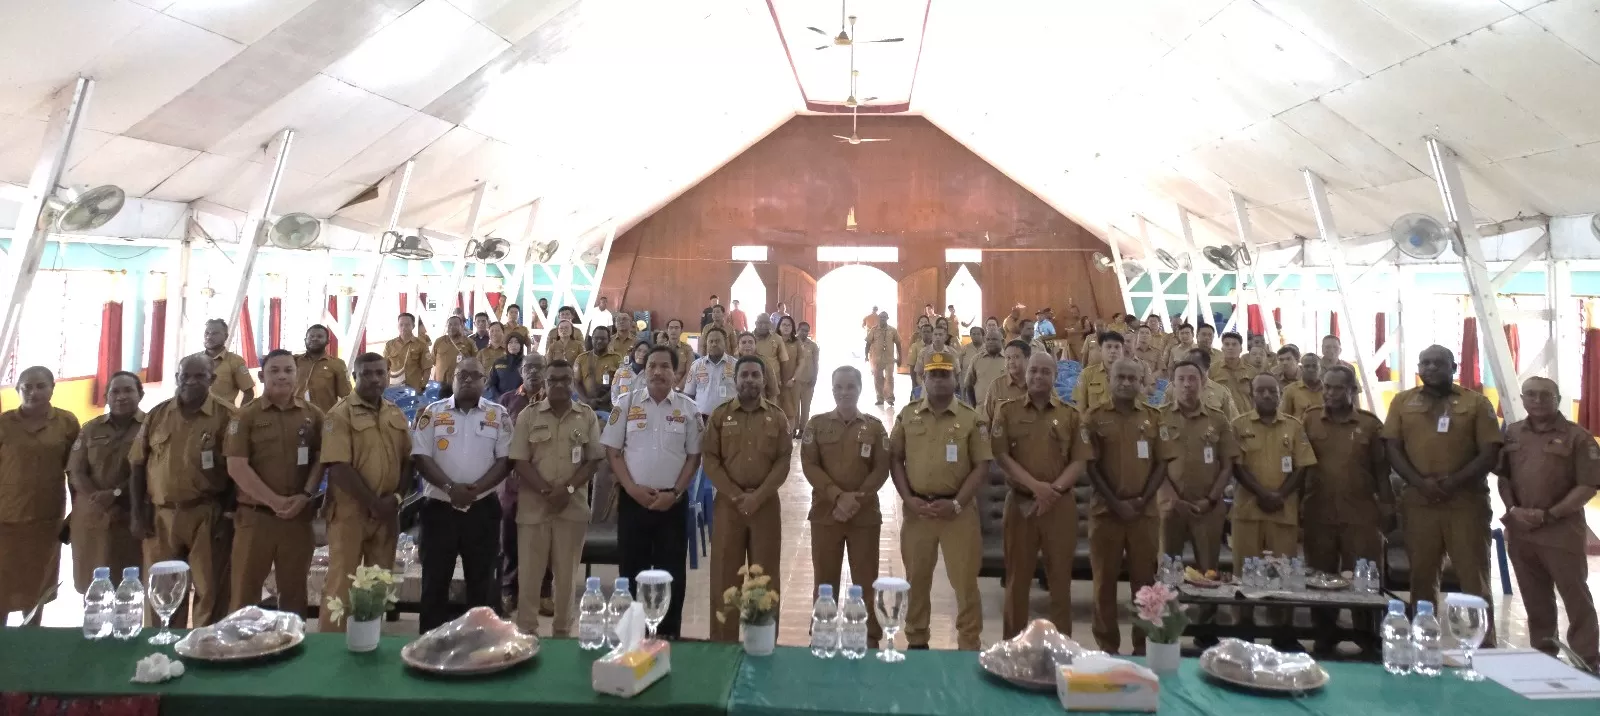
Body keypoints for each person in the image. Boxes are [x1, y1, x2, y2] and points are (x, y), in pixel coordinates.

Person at [1383, 345, 1500, 641]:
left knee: (1474, 577)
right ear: (1419, 368)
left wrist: (1454, 482)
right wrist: (1419, 483)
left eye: (1439, 363)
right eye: (1426, 363)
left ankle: (1484, 644)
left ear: (1454, 367)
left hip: (1465, 503)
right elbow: (1392, 448)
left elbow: (1489, 452)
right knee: (1421, 577)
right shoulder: (1402, 402)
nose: (1431, 368)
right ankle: (1423, 639)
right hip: (1419, 502)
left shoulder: (1476, 403)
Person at [890, 350, 989, 650]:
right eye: (933, 374)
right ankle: (917, 640)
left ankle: (969, 644)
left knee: (965, 583)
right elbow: (895, 459)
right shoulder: (907, 415)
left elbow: (981, 465)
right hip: (918, 513)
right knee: (916, 580)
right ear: (922, 379)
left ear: (955, 378)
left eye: (945, 374)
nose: (938, 380)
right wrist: (908, 498)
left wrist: (957, 503)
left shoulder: (971, 419)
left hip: (958, 514)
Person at [602, 346, 702, 639]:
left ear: (675, 372)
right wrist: (631, 488)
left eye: (664, 366)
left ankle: (670, 635)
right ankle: (635, 636)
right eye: (652, 367)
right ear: (644, 373)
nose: (658, 372)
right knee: (632, 571)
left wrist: (675, 492)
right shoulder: (625, 403)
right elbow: (613, 451)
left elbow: (693, 457)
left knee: (672, 574)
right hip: (634, 503)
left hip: (672, 504)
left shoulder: (688, 408)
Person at [1499, 376, 1600, 668]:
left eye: (1545, 395)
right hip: (1521, 530)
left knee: (1575, 595)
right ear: (1522, 399)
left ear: (1557, 399)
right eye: (1531, 394)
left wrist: (1550, 514)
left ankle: (1588, 659)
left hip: (1560, 529)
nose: (1538, 400)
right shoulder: (1514, 433)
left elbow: (1588, 486)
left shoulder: (1578, 437)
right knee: (1534, 597)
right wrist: (1513, 509)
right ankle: (1542, 654)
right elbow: (1504, 478)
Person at [130, 354, 236, 627]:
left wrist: (227, 514)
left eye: (199, 376)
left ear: (211, 379)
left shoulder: (227, 416)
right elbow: (138, 464)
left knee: (209, 590)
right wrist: (137, 513)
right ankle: (161, 647)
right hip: (161, 516)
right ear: (177, 378)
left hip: (207, 514)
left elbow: (236, 470)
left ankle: (207, 647)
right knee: (162, 589)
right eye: (184, 376)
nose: (190, 381)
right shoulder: (157, 414)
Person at [411, 357, 512, 631]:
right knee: (434, 582)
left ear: (485, 380)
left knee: (482, 583)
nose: (467, 379)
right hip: (439, 509)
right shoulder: (432, 412)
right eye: (461, 375)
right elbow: (420, 456)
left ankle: (482, 645)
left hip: (482, 511)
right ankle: (429, 644)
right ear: (452, 379)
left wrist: (475, 490)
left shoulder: (498, 415)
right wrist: (449, 488)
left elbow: (505, 460)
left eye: (474, 375)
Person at [991, 352, 1084, 639]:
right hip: (1020, 504)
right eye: (1034, 371)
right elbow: (1002, 456)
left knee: (1060, 582)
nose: (1038, 376)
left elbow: (1079, 461)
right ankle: (1012, 646)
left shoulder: (1071, 415)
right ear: (1025, 374)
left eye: (1046, 371)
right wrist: (1036, 488)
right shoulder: (1007, 411)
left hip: (1059, 506)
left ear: (1056, 376)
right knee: (1017, 580)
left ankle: (1062, 647)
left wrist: (1052, 491)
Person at [224, 349, 324, 615]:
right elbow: (236, 466)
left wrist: (305, 495)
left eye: (288, 370)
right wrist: (275, 501)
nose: (282, 376)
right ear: (262, 375)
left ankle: (293, 649)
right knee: (245, 594)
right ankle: (244, 652)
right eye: (274, 371)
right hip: (256, 519)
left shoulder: (312, 415)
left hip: (298, 519)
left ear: (297, 373)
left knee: (294, 595)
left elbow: (320, 459)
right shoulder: (244, 416)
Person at [318, 353, 412, 632]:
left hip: (387, 512)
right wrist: (374, 504)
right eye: (367, 373)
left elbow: (409, 461)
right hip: (351, 514)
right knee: (341, 584)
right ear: (355, 377)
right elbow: (338, 467)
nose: (374, 379)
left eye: (379, 373)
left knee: (377, 583)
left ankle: (369, 641)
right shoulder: (339, 414)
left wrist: (394, 500)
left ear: (387, 375)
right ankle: (331, 647)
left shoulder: (394, 412)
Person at [1301, 364, 1390, 655]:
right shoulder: (1310, 420)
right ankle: (1325, 633)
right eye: (1326, 387)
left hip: (1361, 514)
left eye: (1337, 387)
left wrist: (1388, 507)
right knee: (1319, 577)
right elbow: (1300, 468)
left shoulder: (1369, 425)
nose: (1329, 393)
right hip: (1319, 511)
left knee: (1364, 576)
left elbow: (1381, 470)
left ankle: (1366, 634)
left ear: (1352, 390)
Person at [701, 355, 792, 641]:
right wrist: (736, 494)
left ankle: (763, 639)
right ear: (735, 379)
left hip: (765, 505)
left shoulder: (776, 416)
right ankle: (722, 645)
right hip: (729, 505)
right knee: (724, 577)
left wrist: (759, 496)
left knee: (765, 577)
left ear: (764, 380)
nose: (750, 380)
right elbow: (711, 459)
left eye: (755, 375)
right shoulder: (720, 415)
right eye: (745, 375)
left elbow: (783, 460)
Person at [509, 360, 603, 636]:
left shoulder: (586, 416)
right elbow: (519, 461)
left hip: (571, 509)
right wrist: (546, 491)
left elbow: (593, 460)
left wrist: (568, 490)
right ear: (545, 383)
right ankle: (526, 634)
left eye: (565, 380)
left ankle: (562, 633)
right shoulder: (528, 416)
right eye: (553, 381)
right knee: (529, 578)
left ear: (572, 383)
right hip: (533, 510)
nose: (559, 385)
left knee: (565, 579)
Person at [801, 366, 889, 646]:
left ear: (860, 389)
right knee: (824, 582)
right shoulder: (816, 424)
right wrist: (838, 496)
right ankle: (822, 636)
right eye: (839, 387)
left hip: (864, 516)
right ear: (832, 389)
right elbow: (810, 465)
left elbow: (881, 468)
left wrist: (856, 499)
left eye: (850, 386)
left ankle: (869, 636)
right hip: (826, 515)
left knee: (865, 580)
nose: (844, 392)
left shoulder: (874, 427)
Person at [1082, 359, 1164, 655]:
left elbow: (1162, 464)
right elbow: (1090, 466)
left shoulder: (1154, 418)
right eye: (1121, 377)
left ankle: (1144, 647)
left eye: (1133, 377)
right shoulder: (1094, 418)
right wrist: (1115, 502)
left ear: (1142, 381)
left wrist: (1142, 500)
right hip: (1106, 514)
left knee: (1146, 585)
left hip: (1144, 515)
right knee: (1103, 584)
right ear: (1109, 379)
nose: (1126, 382)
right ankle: (1107, 647)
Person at [1232, 373, 1317, 651]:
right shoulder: (1239, 425)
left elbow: (1302, 466)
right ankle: (1244, 630)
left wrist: (1279, 494)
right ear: (1252, 393)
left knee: (1284, 574)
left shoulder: (1294, 427)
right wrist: (1262, 494)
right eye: (1261, 391)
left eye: (1272, 391)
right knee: (1244, 574)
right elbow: (1237, 466)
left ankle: (1283, 632)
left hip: (1283, 510)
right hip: (1248, 510)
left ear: (1280, 394)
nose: (1267, 396)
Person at [0, 367, 79, 622]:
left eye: (40, 386)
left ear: (52, 388)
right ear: (17, 390)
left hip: (45, 519)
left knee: (37, 587)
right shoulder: (4, 423)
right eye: (26, 387)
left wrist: (75, 514)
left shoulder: (67, 423)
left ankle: (32, 638)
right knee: (3, 587)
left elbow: (75, 471)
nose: (33, 392)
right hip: (5, 520)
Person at [67, 371, 145, 597]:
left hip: (130, 514)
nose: (121, 396)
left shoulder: (151, 425)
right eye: (115, 391)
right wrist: (98, 499)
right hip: (93, 517)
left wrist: (117, 494)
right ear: (106, 396)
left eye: (128, 390)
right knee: (92, 587)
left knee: (129, 586)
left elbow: (151, 470)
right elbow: (76, 471)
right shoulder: (91, 428)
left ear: (140, 394)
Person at [1157, 360, 1237, 576]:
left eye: (1192, 379)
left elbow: (1227, 464)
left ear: (1202, 382)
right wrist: (1173, 499)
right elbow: (1154, 465)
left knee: (1209, 569)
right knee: (1167, 568)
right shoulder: (1158, 417)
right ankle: (1168, 609)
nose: (1186, 384)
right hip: (1170, 507)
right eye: (1181, 379)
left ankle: (1208, 609)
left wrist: (1210, 499)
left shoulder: (1218, 418)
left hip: (1207, 508)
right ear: (1172, 383)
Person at [498, 353, 547, 612]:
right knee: (510, 535)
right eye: (529, 367)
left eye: (539, 368)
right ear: (520, 371)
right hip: (513, 481)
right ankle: (509, 588)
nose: (533, 372)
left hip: (544, 479)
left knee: (543, 534)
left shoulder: (555, 401)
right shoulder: (507, 401)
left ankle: (543, 589)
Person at [1160, 347, 1241, 420]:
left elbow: (1234, 423)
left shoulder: (1221, 393)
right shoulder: (1173, 388)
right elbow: (1161, 417)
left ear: (1207, 368)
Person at [295, 324, 350, 413]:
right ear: (305, 340)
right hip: (296, 416)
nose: (314, 339)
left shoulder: (337, 364)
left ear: (327, 341)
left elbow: (346, 396)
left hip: (325, 417)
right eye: (311, 336)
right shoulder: (294, 361)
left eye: (319, 336)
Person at [685, 327, 737, 419]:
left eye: (717, 341)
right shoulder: (696, 365)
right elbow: (689, 395)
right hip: (702, 419)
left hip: (729, 419)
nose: (714, 344)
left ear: (725, 343)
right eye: (711, 341)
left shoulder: (736, 365)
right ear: (706, 343)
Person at [201, 318, 255, 405]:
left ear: (226, 336)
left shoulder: (236, 361)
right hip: (196, 416)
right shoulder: (194, 360)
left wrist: (238, 415)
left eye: (215, 333)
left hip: (223, 416)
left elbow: (249, 394)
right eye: (207, 333)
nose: (209, 337)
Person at [1072, 331, 1126, 413]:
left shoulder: (1130, 375)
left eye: (1117, 347)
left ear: (1122, 350)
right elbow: (1080, 409)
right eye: (1108, 346)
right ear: (1100, 349)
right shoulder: (1087, 374)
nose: (1113, 351)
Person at [574, 325, 622, 416]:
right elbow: (576, 382)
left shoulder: (617, 358)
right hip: (585, 405)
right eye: (596, 338)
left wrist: (602, 400)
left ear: (609, 340)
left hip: (608, 405)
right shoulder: (581, 358)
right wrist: (586, 401)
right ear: (592, 339)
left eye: (603, 338)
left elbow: (620, 383)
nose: (599, 341)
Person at [432, 315, 478, 401]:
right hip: (441, 385)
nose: (452, 327)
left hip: (461, 384)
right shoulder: (439, 342)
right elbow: (434, 361)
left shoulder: (469, 343)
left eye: (456, 324)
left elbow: (475, 363)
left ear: (462, 326)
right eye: (450, 324)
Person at [1210, 331, 1258, 411]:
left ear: (1241, 349)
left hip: (1245, 417)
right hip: (1222, 417)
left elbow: (1256, 397)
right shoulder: (1212, 369)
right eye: (1227, 344)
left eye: (1234, 344)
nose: (1230, 347)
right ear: (1222, 348)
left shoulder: (1251, 371)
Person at [984, 340, 1031, 421]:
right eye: (1008, 358)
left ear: (1027, 359)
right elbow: (986, 419)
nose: (1011, 362)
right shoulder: (996, 386)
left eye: (1016, 357)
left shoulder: (1040, 384)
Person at [385, 313, 433, 392]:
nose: (403, 328)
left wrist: (422, 387)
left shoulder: (421, 345)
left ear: (413, 326)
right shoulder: (390, 345)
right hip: (393, 390)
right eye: (401, 325)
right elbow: (385, 368)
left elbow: (427, 369)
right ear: (398, 326)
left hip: (413, 390)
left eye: (407, 325)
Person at [866, 311, 902, 407]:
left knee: (889, 378)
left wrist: (900, 357)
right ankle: (880, 398)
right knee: (878, 378)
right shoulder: (873, 330)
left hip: (889, 360)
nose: (882, 319)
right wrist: (866, 356)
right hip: (876, 360)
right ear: (879, 318)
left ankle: (890, 398)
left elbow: (898, 343)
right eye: (881, 317)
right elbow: (868, 343)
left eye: (884, 317)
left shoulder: (892, 330)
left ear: (887, 318)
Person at [963, 327, 1005, 408]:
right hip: (981, 411)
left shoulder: (1009, 359)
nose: (990, 342)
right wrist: (975, 406)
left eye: (994, 339)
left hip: (1003, 411)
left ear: (1002, 342)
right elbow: (969, 385)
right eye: (988, 339)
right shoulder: (976, 359)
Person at [776, 316, 803, 435]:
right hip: (775, 383)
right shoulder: (774, 340)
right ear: (779, 326)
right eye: (784, 325)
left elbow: (801, 362)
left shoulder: (796, 342)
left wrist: (794, 378)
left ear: (792, 328)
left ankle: (788, 437)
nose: (786, 327)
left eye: (789, 325)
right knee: (774, 410)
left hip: (791, 383)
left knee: (791, 412)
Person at [735, 331, 781, 401]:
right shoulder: (732, 362)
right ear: (738, 345)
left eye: (750, 342)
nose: (747, 345)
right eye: (743, 342)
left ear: (755, 345)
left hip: (759, 407)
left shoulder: (764, 362)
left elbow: (773, 392)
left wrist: (770, 410)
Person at [793, 321, 821, 432]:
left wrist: (815, 378)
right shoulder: (792, 343)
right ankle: (794, 428)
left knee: (806, 406)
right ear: (797, 330)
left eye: (806, 331)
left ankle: (803, 429)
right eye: (802, 330)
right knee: (794, 406)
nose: (804, 332)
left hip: (808, 381)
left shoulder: (813, 346)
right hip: (795, 380)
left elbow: (816, 363)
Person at [486, 333, 529, 401]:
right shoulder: (498, 362)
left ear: (521, 345)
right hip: (500, 401)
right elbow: (490, 384)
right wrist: (498, 398)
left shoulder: (527, 362)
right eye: (510, 342)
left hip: (521, 401)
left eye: (517, 342)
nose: (513, 345)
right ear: (506, 345)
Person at [1280, 353, 1323, 420]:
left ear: (1320, 369)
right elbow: (1284, 418)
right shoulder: (1290, 390)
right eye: (1307, 366)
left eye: (1314, 366)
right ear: (1301, 368)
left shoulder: (1328, 390)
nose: (1311, 369)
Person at [611, 340, 652, 407]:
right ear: (634, 352)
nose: (641, 354)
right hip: (623, 412)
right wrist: (621, 410)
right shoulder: (620, 372)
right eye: (639, 350)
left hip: (643, 413)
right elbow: (614, 395)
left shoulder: (651, 374)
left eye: (645, 352)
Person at [907, 322, 934, 400]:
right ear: (921, 333)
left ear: (932, 333)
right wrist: (914, 382)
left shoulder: (936, 346)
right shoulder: (915, 346)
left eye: (928, 332)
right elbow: (912, 366)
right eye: (924, 332)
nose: (926, 334)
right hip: (920, 381)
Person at [665, 319, 694, 386]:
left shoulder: (687, 349)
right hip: (664, 386)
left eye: (676, 328)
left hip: (681, 387)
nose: (673, 330)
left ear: (681, 331)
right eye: (671, 328)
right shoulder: (661, 348)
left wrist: (679, 387)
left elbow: (689, 372)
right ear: (667, 331)